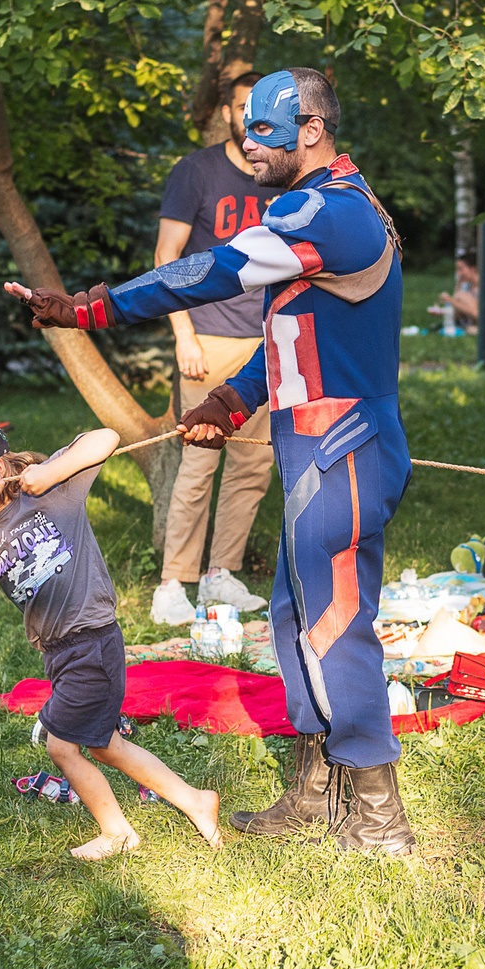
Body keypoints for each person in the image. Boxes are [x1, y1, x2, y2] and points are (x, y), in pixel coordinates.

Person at [3, 68, 417, 856]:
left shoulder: (336, 212)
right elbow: (302, 338)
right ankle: (312, 789)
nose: (248, 145)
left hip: (345, 449)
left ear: (312, 130)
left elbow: (215, 269)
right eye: (245, 129)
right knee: (297, 618)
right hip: (313, 443)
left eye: (264, 131)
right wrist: (233, 400)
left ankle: (378, 814)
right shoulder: (316, 209)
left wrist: (92, 308)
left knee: (336, 624)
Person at [0, 418, 225, 861]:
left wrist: (53, 471)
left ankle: (117, 831)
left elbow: (106, 439)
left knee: (62, 746)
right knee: (106, 745)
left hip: (90, 638)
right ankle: (194, 799)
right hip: (59, 650)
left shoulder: (52, 490)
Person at [150, 76, 278, 625]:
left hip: (267, 342)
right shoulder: (196, 172)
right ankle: (172, 585)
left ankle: (220, 576)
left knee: (254, 466)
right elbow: (167, 256)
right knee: (198, 464)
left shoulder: (282, 173)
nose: (250, 117)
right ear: (227, 111)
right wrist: (183, 334)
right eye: (242, 106)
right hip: (209, 339)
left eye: (261, 109)